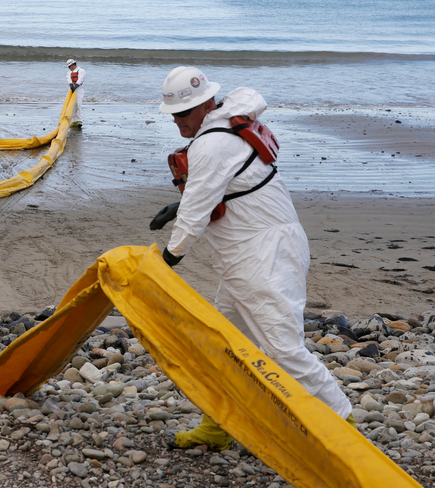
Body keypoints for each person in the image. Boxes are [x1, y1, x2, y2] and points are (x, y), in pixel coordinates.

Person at [151, 66, 353, 451]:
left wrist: (167, 260)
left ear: (206, 103)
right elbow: (226, 188)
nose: (177, 121)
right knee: (225, 343)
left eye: (183, 113)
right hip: (252, 254)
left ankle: (347, 432)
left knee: (283, 351)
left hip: (263, 257)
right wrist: (179, 206)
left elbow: (197, 211)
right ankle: (218, 425)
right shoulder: (224, 128)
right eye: (173, 114)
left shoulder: (210, 144)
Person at [66, 58, 85, 129]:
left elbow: (81, 79)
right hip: (71, 90)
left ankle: (79, 120)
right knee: (71, 105)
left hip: (79, 89)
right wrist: (71, 85)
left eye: (69, 66)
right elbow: (68, 79)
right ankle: (73, 121)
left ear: (72, 65)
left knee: (78, 104)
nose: (69, 68)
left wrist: (76, 86)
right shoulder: (69, 72)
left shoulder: (81, 70)